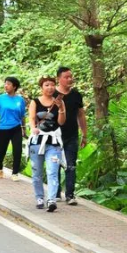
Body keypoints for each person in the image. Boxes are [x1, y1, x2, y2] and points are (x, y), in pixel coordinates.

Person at [27, 77, 66, 212]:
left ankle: (51, 200)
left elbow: (61, 122)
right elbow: (32, 118)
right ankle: (39, 197)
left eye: (52, 85)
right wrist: (33, 128)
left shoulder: (59, 102)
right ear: (42, 87)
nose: (50, 87)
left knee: (52, 171)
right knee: (37, 172)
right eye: (46, 85)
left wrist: (61, 108)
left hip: (53, 142)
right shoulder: (35, 102)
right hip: (37, 141)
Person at [54, 67, 87, 205]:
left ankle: (70, 195)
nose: (69, 79)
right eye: (66, 77)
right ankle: (55, 193)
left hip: (72, 135)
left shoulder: (76, 95)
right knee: (55, 164)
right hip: (55, 135)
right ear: (59, 79)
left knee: (71, 165)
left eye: (71, 77)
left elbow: (81, 114)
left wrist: (84, 134)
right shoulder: (52, 93)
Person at [0, 77, 27, 181]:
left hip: (16, 128)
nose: (6, 86)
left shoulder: (20, 100)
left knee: (18, 150)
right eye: (5, 83)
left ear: (14, 87)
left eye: (8, 84)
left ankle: (15, 173)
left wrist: (23, 128)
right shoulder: (0, 99)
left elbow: (22, 115)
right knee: (1, 152)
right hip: (3, 128)